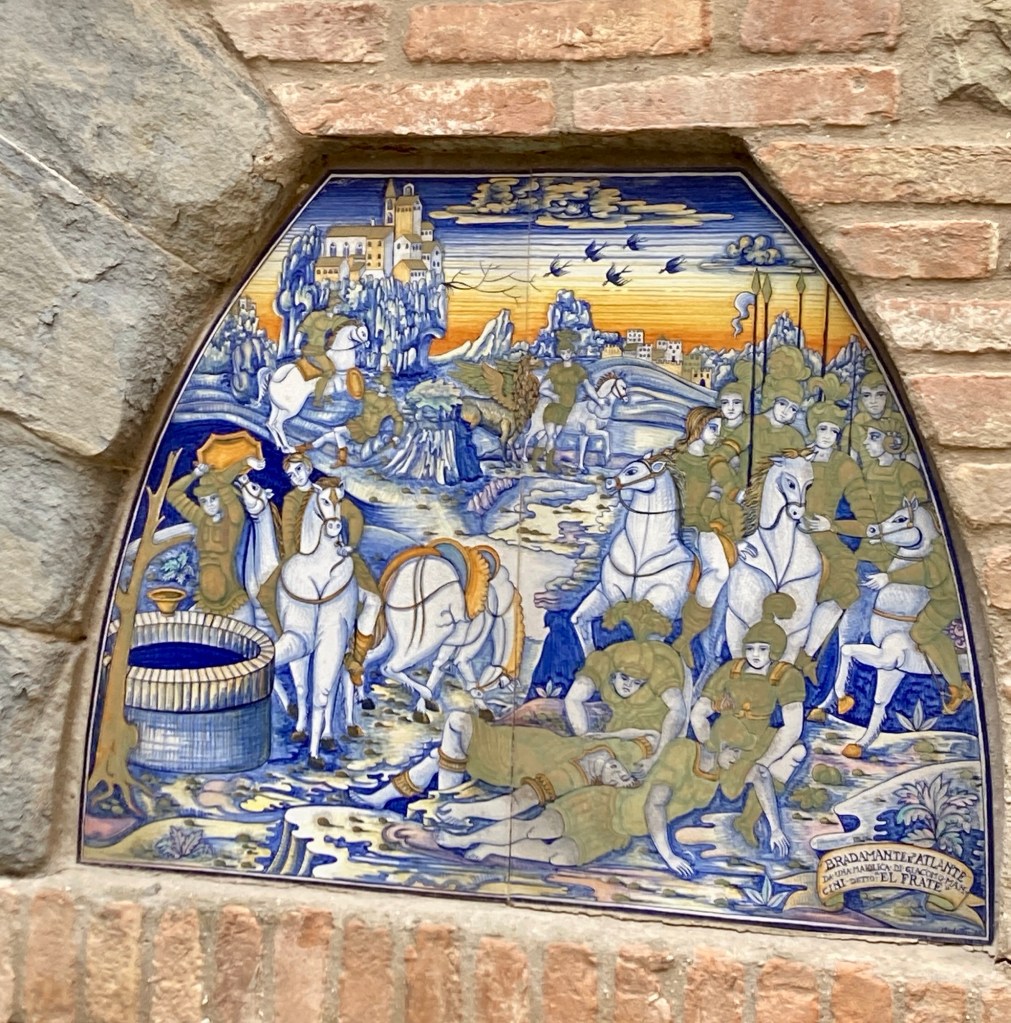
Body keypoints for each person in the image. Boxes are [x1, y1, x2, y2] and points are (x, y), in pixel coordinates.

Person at [436, 715, 786, 879]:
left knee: (560, 856)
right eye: (735, 750)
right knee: (536, 828)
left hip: (616, 832)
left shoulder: (724, 769)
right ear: (719, 744)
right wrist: (668, 855)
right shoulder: (682, 752)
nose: (739, 758)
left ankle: (492, 848)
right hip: (603, 804)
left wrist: (777, 828)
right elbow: (655, 804)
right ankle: (464, 839)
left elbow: (760, 774)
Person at [350, 708, 655, 809]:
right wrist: (612, 737)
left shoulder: (576, 774)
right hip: (509, 738)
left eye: (617, 780)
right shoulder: (617, 751)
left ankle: (444, 800)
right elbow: (653, 738)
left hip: (504, 760)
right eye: (624, 773)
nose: (618, 772)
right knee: (440, 753)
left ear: (602, 783)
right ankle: (383, 797)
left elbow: (522, 800)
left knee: (457, 722)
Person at [690, 597, 806, 847]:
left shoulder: (786, 675)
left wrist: (765, 759)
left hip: (760, 739)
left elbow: (793, 726)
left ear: (774, 650)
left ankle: (748, 820)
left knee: (796, 753)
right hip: (728, 739)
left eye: (762, 649)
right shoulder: (731, 669)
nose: (755, 655)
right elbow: (699, 713)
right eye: (751, 648)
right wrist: (712, 747)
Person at [801, 401, 877, 672]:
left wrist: (831, 525)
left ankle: (805, 657)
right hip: (782, 528)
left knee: (844, 581)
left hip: (821, 535)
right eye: (823, 428)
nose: (827, 436)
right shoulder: (796, 456)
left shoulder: (844, 465)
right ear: (813, 428)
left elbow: (867, 521)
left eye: (834, 431)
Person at [660, 406, 732, 666]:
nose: (717, 434)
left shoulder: (714, 462)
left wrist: (714, 499)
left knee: (720, 571)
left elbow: (725, 489)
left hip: (700, 525)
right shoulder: (672, 458)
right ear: (698, 426)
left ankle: (686, 637)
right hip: (667, 524)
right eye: (713, 427)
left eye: (720, 429)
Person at [166, 458, 260, 621]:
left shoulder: (233, 521)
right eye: (204, 501)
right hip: (204, 601)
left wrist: (242, 462)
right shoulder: (200, 519)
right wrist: (195, 475)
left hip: (232, 599)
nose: (209, 504)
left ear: (221, 498)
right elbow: (173, 494)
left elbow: (224, 487)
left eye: (213, 499)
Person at [859, 426, 929, 568]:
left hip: (897, 543)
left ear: (892, 440)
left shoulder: (906, 471)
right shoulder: (867, 471)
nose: (865, 442)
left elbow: (917, 513)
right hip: (868, 540)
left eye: (874, 437)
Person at [308, 370, 404, 468]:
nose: (382, 386)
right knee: (327, 437)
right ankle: (306, 447)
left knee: (337, 431)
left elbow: (398, 419)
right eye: (381, 384)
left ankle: (342, 459)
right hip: (358, 423)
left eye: (384, 385)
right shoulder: (370, 394)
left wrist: (396, 436)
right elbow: (356, 390)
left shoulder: (390, 403)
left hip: (368, 431)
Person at [534, 334, 596, 472]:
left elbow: (588, 387)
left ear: (573, 353)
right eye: (563, 353)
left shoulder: (578, 370)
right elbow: (542, 388)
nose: (566, 355)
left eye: (568, 352)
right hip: (554, 407)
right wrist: (553, 395)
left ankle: (536, 459)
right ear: (559, 354)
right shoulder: (556, 369)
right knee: (551, 436)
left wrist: (598, 400)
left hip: (567, 408)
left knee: (553, 436)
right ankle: (549, 465)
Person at [850, 371, 910, 466]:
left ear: (888, 396)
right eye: (867, 395)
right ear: (861, 399)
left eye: (880, 394)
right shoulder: (856, 423)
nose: (873, 401)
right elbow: (852, 457)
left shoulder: (898, 420)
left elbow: (910, 455)